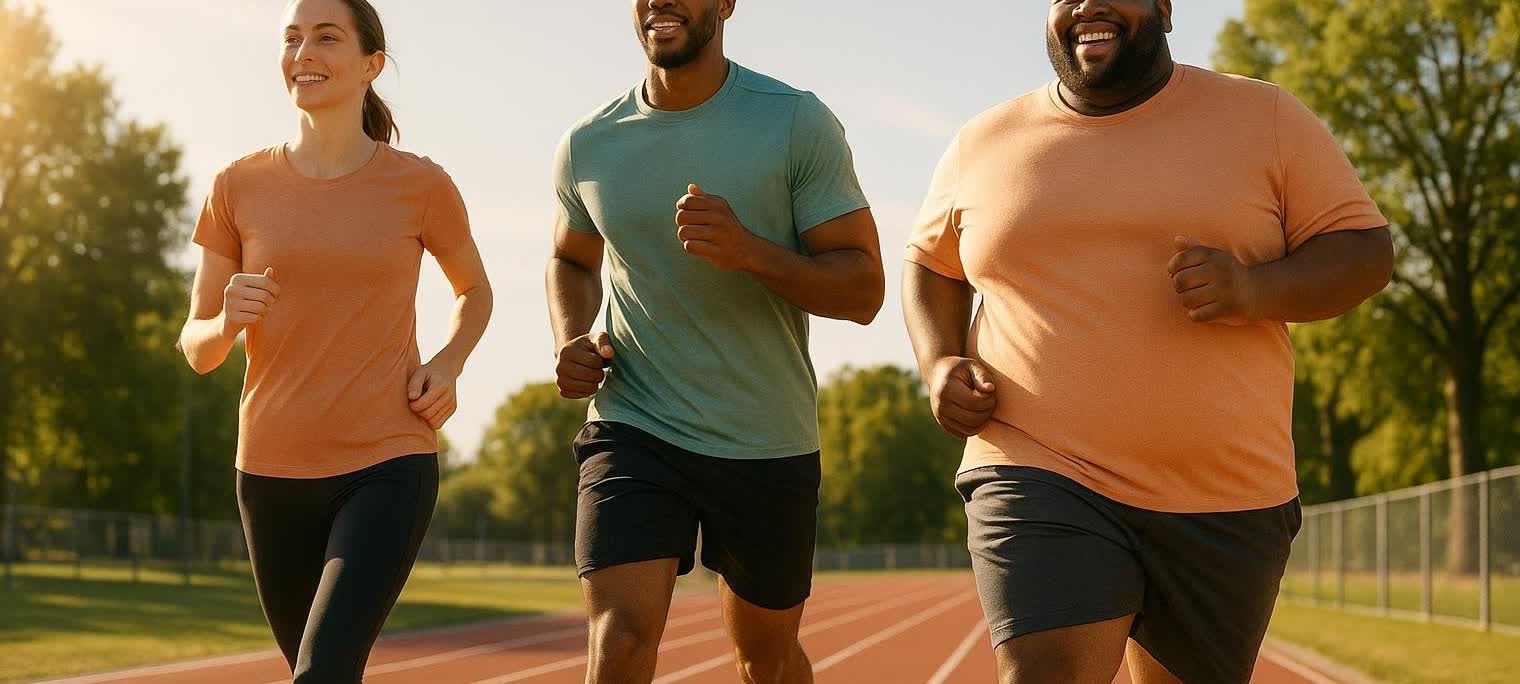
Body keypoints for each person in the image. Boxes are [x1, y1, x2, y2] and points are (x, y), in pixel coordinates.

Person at [901, 1, 1393, 682]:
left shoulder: (1264, 117)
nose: (1087, 6)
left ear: (1164, 7)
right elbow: (930, 264)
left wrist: (1255, 288)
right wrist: (939, 361)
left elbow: (1366, 254)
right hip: (1039, 468)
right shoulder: (984, 140)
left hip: (1227, 495)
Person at [546, 1, 884, 681]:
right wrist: (571, 336)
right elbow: (571, 259)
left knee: (766, 657)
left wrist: (752, 252)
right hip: (633, 422)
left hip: (764, 436)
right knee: (619, 639)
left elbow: (864, 290)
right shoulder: (589, 142)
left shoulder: (794, 121)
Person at [177, 0, 492, 680]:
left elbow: (476, 290)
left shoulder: (421, 184)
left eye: (326, 37)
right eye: (292, 39)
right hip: (269, 470)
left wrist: (447, 361)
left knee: (321, 672)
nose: (303, 53)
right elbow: (197, 348)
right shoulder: (237, 186)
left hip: (386, 461)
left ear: (370, 64)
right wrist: (226, 320)